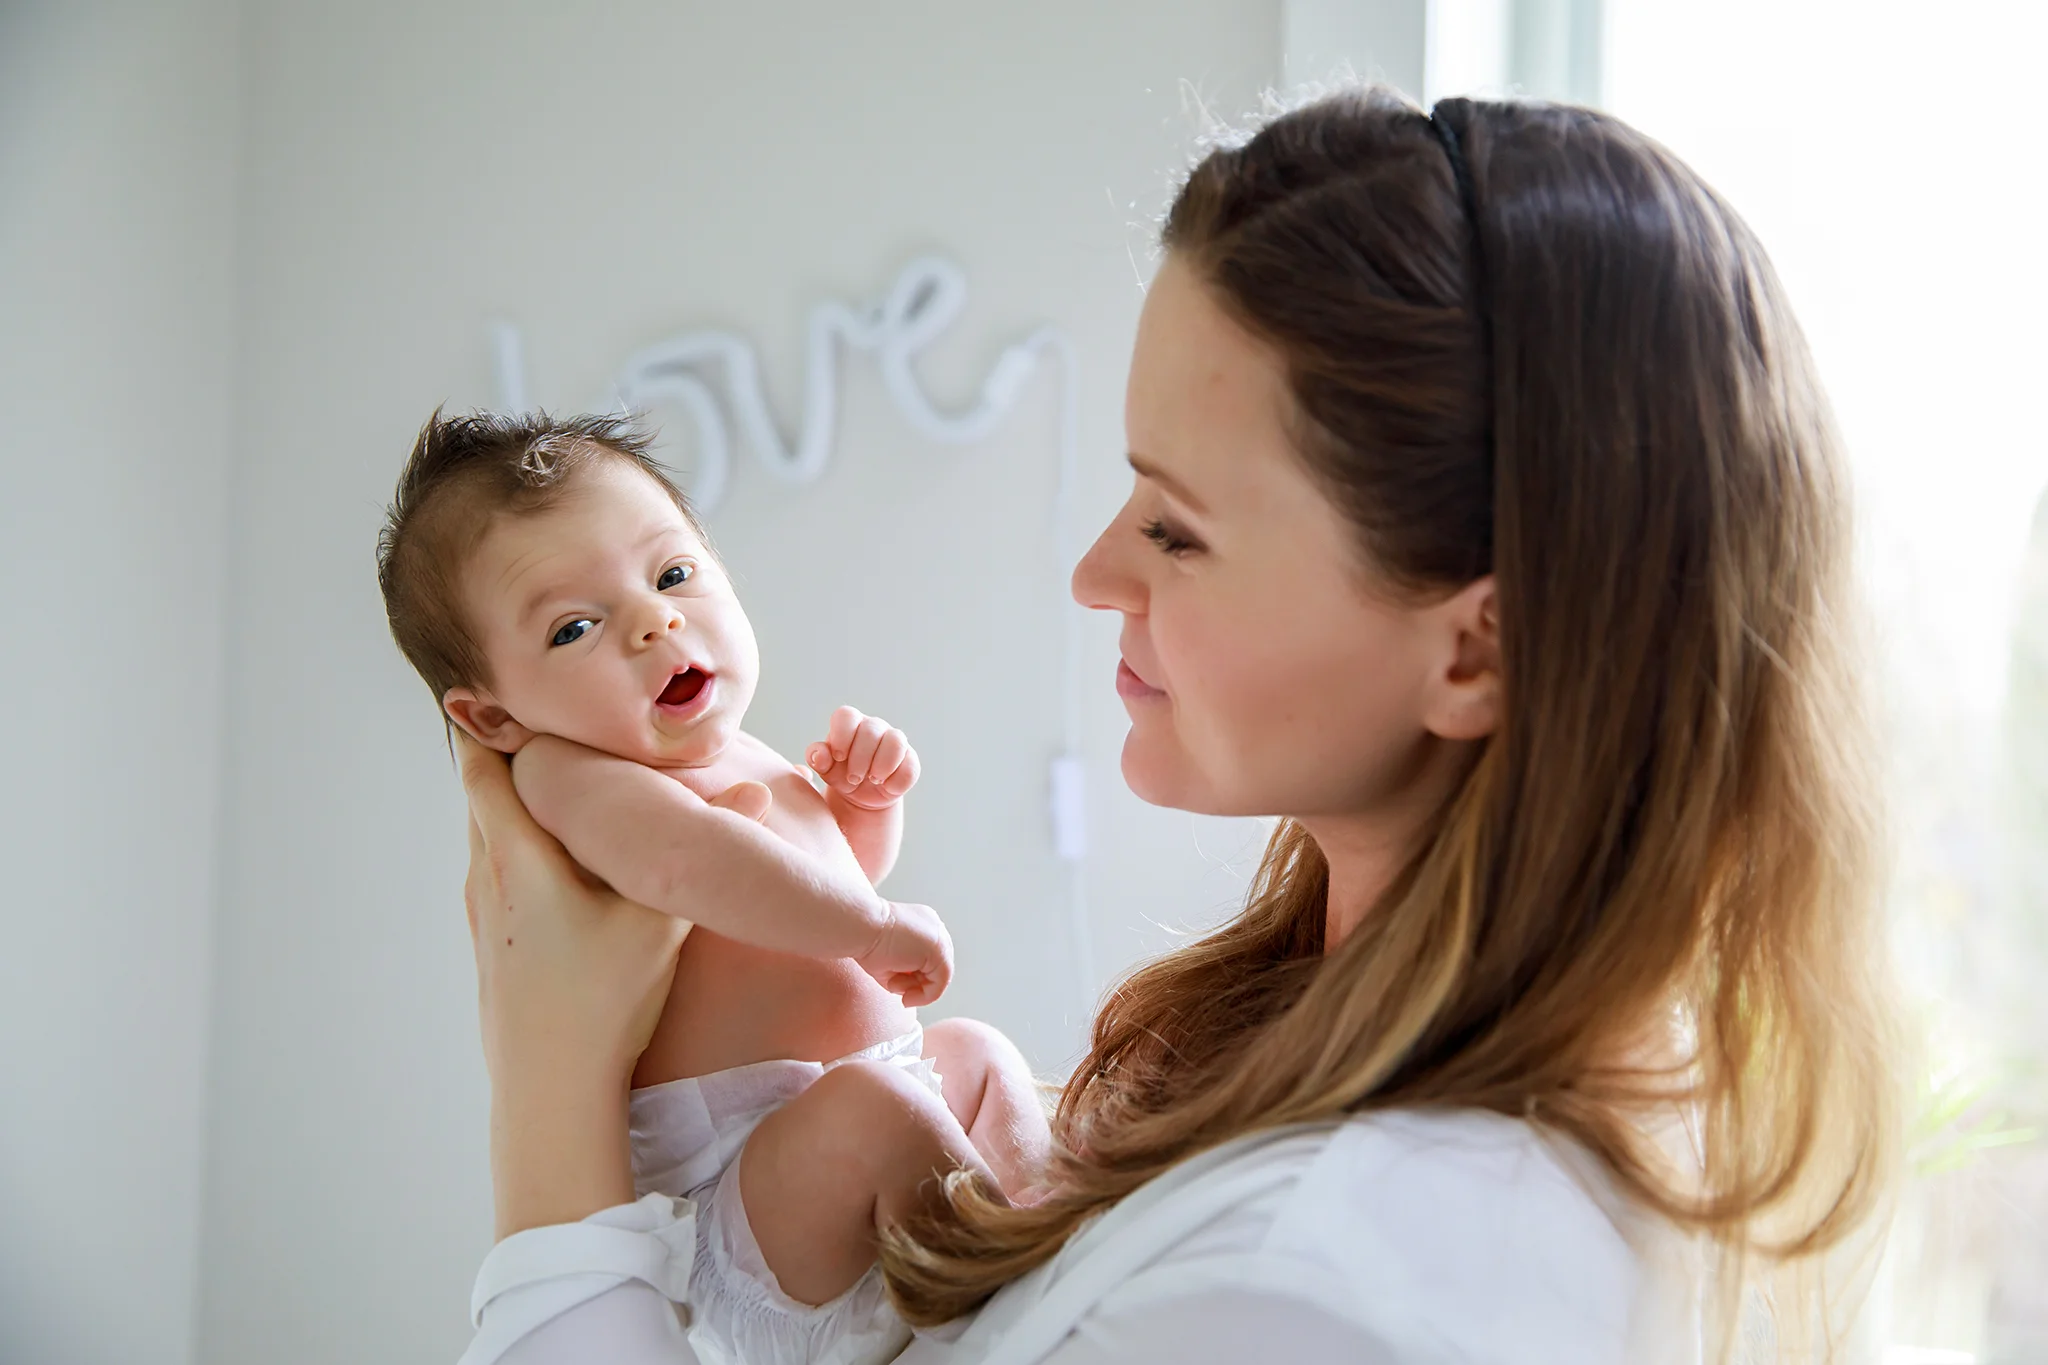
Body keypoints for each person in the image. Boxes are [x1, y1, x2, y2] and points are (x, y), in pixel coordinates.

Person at [452, 87, 1901, 1364]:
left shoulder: (1313, 1291)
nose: (1095, 571)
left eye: (1177, 527)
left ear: (1474, 648)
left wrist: (549, 1095)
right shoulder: (1269, 1063)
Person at [374, 412, 1051, 1365]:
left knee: (977, 1051)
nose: (654, 621)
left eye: (672, 574)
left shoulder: (732, 748)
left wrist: (860, 812)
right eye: (574, 627)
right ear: (491, 716)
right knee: (877, 1109)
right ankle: (1029, 1299)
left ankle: (1048, 1221)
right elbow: (690, 863)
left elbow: (802, 897)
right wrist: (871, 927)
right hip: (744, 1204)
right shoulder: (569, 778)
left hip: (851, 1122)